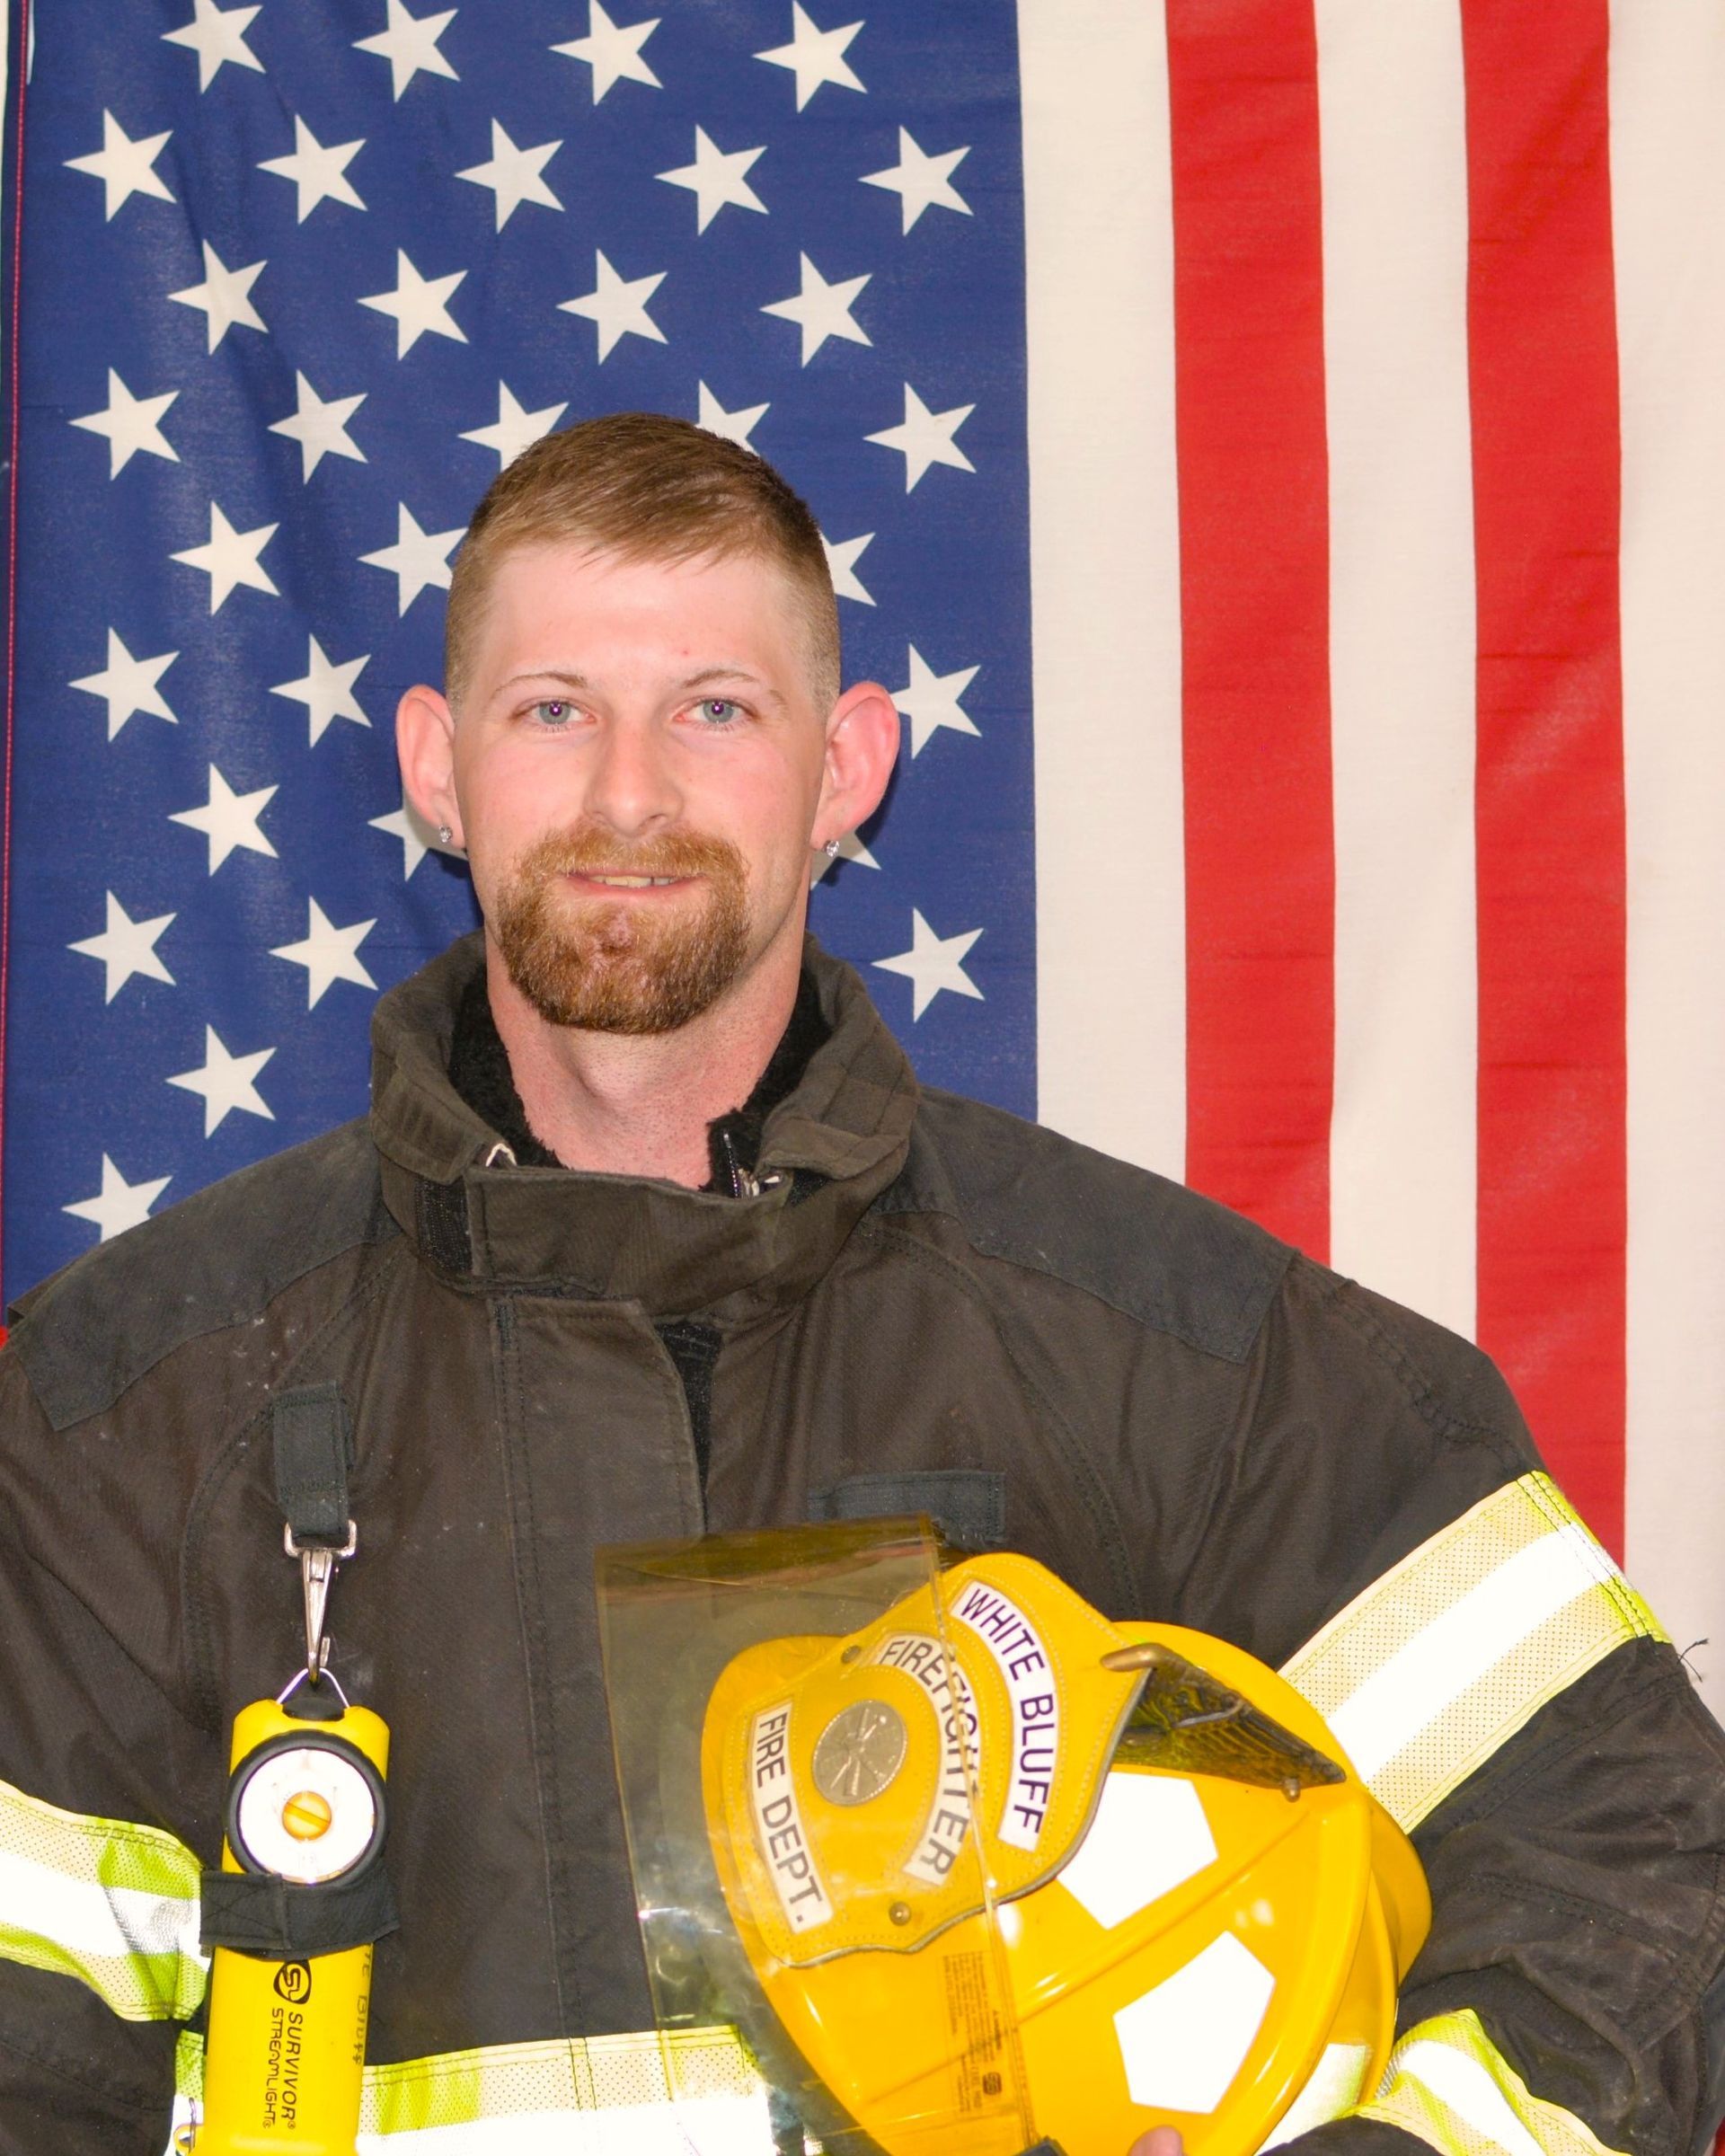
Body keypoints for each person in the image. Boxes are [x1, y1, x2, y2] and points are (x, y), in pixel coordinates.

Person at [1, 412, 1721, 2156]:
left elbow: (1631, 1850)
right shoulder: (126, 1404)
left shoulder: (1176, 1359)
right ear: (438, 768)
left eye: (717, 711)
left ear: (847, 768)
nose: (628, 795)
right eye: (554, 711)